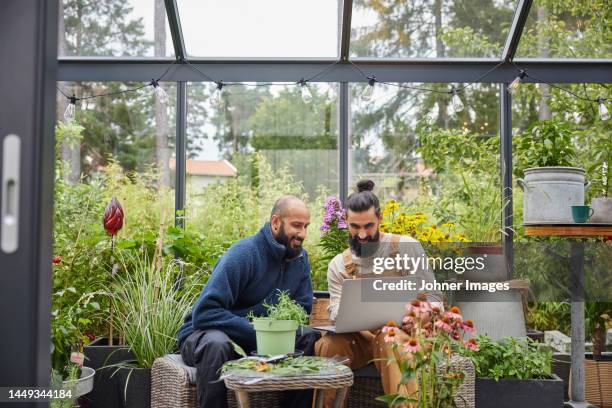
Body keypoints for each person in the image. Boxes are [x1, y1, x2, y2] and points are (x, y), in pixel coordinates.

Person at [177, 196, 320, 408]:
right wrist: (259, 331)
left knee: (307, 336)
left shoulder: (300, 259)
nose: (302, 234)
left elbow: (302, 309)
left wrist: (272, 333)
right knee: (217, 343)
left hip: (261, 340)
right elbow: (205, 312)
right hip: (205, 335)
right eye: (296, 226)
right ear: (275, 222)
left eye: (306, 226)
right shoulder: (244, 253)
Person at [315, 180, 443, 407]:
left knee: (388, 338)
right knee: (329, 346)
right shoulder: (339, 265)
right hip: (361, 339)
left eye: (368, 226)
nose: (362, 235)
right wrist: (340, 314)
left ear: (380, 219)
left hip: (405, 336)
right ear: (346, 221)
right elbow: (334, 309)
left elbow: (434, 300)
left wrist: (420, 313)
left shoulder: (406, 247)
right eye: (355, 227)